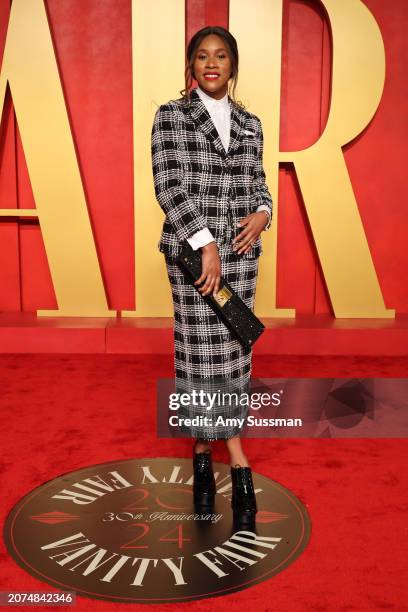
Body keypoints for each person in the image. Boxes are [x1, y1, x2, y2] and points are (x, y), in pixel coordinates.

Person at [151, 26, 273, 531]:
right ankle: (235, 462)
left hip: (240, 258)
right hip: (193, 257)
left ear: (233, 65)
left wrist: (264, 213)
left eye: (221, 55)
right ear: (191, 65)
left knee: (236, 355)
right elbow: (168, 184)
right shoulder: (171, 117)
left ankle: (203, 455)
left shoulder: (251, 122)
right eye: (202, 56)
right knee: (200, 356)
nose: (211, 63)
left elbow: (259, 184)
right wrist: (205, 243)